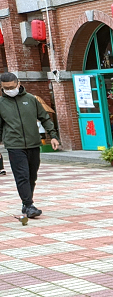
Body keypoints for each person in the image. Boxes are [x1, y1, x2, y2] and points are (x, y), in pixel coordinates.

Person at [0, 72, 60, 219]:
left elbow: (44, 118)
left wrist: (53, 136)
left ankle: (26, 204)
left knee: (32, 176)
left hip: (33, 144)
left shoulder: (31, 99)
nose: (9, 90)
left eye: (12, 87)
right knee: (22, 176)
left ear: (18, 83)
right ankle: (29, 204)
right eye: (6, 88)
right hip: (14, 145)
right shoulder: (1, 104)